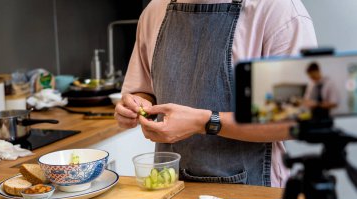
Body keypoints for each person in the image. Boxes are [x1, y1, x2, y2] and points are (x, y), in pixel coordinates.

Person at [115, 0, 317, 187]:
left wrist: (205, 122)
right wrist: (136, 105)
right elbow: (143, 90)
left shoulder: (277, 10)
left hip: (252, 192)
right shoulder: (154, 11)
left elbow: (293, 120)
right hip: (170, 186)